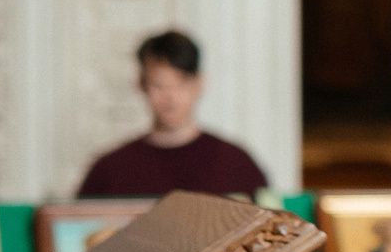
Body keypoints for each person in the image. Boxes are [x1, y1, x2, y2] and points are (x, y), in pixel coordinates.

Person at [77, 31, 269, 197]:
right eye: (159, 84)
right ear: (141, 84)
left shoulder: (236, 165)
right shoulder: (110, 170)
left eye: (181, 83)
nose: (170, 97)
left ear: (200, 83)